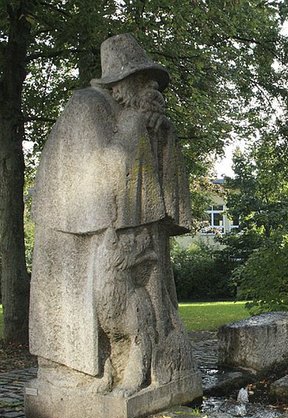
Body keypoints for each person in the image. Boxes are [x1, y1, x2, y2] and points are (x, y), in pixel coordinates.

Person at [30, 34, 194, 396]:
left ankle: (148, 366)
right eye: (142, 79)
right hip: (80, 232)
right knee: (108, 299)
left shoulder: (130, 110)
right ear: (121, 83)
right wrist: (138, 123)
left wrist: (161, 132)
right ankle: (104, 369)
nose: (151, 87)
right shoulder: (87, 105)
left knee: (145, 296)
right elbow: (101, 170)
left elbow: (158, 173)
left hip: (132, 227)